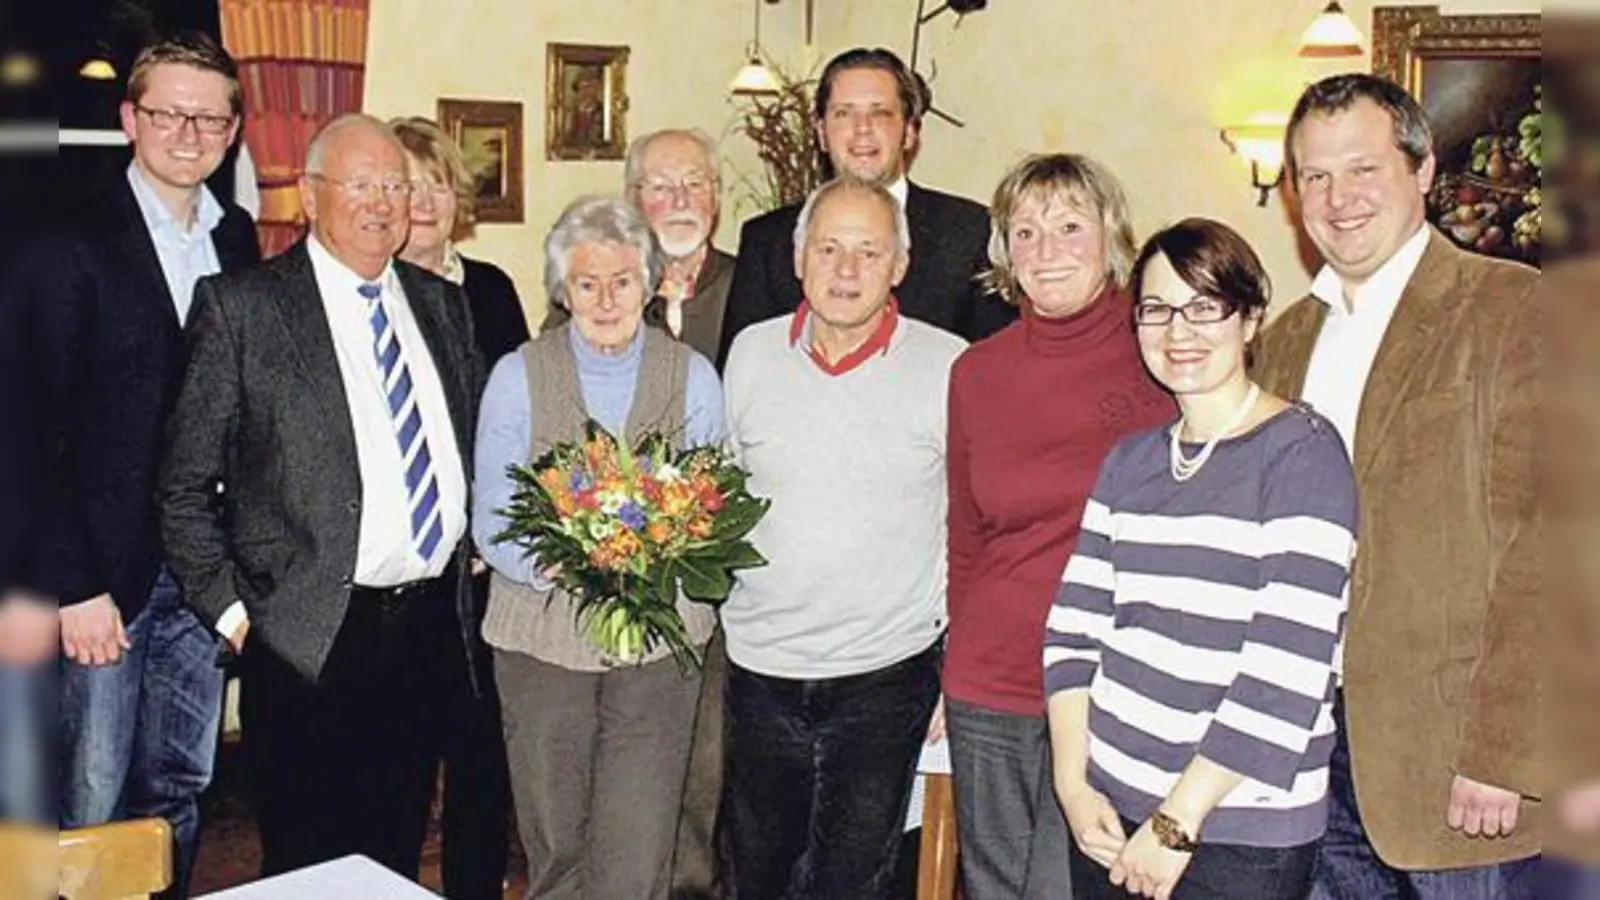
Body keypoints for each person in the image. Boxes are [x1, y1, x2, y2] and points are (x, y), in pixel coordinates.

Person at [157, 113, 485, 880]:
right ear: (310, 196)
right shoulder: (242, 308)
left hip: (426, 632)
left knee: (396, 858)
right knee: (310, 867)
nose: (382, 203)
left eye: (395, 186)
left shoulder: (442, 305)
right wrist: (239, 618)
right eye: (361, 184)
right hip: (305, 637)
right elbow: (181, 486)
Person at [1252, 73, 1540, 899]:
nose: (1338, 198)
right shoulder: (1280, 345)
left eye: (1363, 169)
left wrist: (1504, 751)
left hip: (1453, 767)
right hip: (1304, 764)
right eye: (1314, 175)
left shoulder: (1513, 307)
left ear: (1421, 170)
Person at [1044, 217, 1357, 900]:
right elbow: (1073, 631)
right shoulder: (1129, 462)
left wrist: (1177, 820)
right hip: (1109, 811)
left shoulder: (1302, 454)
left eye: (1204, 306)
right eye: (1157, 309)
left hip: (1237, 832)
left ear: (1250, 320)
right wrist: (1074, 783)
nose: (1178, 331)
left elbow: (1289, 666)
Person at [12, 33, 259, 896]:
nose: (187, 135)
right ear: (130, 120)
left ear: (232, 131)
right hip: (101, 585)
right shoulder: (64, 244)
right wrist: (72, 584)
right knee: (92, 800)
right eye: (167, 114)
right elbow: (26, 432)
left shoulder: (241, 240)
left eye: (209, 118)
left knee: (180, 791)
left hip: (199, 578)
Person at [720, 177, 965, 897]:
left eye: (869, 251)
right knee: (761, 875)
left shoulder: (950, 365)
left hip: (885, 675)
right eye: (828, 248)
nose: (847, 269)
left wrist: (957, 664)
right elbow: (720, 495)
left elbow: (970, 524)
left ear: (900, 266)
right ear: (798, 259)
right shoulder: (750, 355)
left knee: (854, 881)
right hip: (760, 670)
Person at [474, 195, 724, 900]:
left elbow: (709, 506)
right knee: (558, 851)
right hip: (541, 643)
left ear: (649, 284)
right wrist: (583, 559)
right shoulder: (519, 375)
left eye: (622, 280)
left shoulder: (693, 376)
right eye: (587, 282)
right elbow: (491, 516)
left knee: (639, 851)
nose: (607, 298)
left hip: (658, 644)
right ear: (563, 289)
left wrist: (649, 557)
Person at [944, 153, 1173, 899]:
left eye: (1070, 227)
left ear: (1111, 238)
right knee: (995, 885)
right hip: (993, 679)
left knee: (1067, 886)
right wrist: (954, 663)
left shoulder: (1161, 353)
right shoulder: (976, 372)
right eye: (1026, 231)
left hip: (1116, 682)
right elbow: (966, 532)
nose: (1045, 251)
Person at [388, 114, 523, 900]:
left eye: (436, 181)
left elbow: (520, 416)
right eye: (406, 185)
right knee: (401, 758)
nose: (425, 200)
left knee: (481, 755)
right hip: (405, 570)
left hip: (483, 565)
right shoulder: (374, 294)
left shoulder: (495, 290)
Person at [717, 47, 1013, 362]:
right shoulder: (767, 239)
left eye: (880, 113)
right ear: (820, 133)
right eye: (844, 113)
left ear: (910, 131)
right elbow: (742, 373)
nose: (862, 128)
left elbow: (994, 370)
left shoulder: (970, 232)